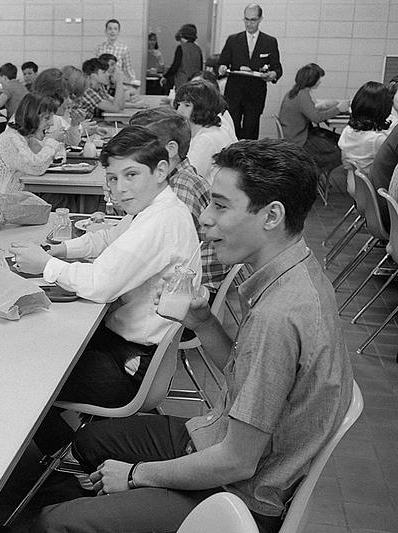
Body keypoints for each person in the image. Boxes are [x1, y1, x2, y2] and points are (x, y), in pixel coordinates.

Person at [32, 139, 353, 533]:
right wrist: (202, 321)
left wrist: (136, 475)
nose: (204, 217)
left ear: (271, 216)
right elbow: (249, 375)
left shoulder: (279, 315)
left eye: (220, 205)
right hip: (216, 440)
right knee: (90, 441)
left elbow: (237, 462)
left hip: (235, 496)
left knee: (54, 521)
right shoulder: (295, 275)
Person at [10, 126, 199, 455]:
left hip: (130, 370)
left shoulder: (160, 221)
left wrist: (45, 265)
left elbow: (100, 285)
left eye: (131, 175)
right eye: (112, 178)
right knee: (44, 344)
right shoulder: (156, 209)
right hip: (132, 352)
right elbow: (109, 237)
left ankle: (65, 459)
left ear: (162, 170)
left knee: (23, 370)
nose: (120, 188)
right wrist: (61, 251)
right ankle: (68, 450)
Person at [129, 107, 227, 292]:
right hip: (186, 279)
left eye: (139, 145)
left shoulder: (179, 189)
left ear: (170, 149)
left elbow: (162, 253)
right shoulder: (178, 177)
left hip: (188, 288)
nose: (130, 153)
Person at [218, 4, 282, 139]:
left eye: (252, 20)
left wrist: (272, 75)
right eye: (246, 20)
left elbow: (277, 68)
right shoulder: (233, 40)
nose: (248, 23)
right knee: (231, 129)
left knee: (251, 131)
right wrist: (222, 68)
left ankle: (249, 158)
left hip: (255, 93)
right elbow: (222, 62)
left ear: (260, 19)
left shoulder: (269, 41)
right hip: (234, 92)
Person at [0, 93, 63, 195]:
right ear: (31, 117)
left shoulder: (24, 138)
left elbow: (44, 158)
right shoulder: (11, 140)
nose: (52, 123)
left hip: (14, 198)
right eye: (47, 118)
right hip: (4, 203)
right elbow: (36, 167)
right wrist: (53, 142)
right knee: (65, 198)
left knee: (65, 197)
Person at [277, 63, 345, 176]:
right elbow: (317, 118)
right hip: (299, 141)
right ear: (312, 80)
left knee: (337, 140)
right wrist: (339, 109)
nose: (320, 81)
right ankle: (313, 175)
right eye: (318, 79)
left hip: (293, 136)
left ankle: (315, 177)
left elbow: (306, 110)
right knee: (340, 149)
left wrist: (319, 106)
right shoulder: (303, 95)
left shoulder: (295, 92)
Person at [174, 79, 237, 181]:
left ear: (202, 108)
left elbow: (185, 178)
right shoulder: (213, 129)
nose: (179, 111)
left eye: (187, 105)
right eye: (179, 105)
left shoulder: (206, 139)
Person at [338, 81, 392, 179]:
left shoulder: (348, 130)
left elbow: (344, 161)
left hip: (353, 183)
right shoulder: (377, 139)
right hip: (373, 187)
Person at [162, 24, 203, 91]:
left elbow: (175, 65)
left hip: (182, 81)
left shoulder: (181, 48)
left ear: (182, 35)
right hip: (195, 82)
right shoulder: (198, 49)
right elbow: (200, 67)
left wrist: (166, 76)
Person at [95, 19, 136, 84]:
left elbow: (127, 69)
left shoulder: (124, 49)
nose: (112, 31)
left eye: (115, 29)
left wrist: (133, 81)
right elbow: (96, 67)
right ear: (105, 31)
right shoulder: (99, 48)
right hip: (102, 83)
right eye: (110, 29)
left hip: (117, 84)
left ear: (118, 32)